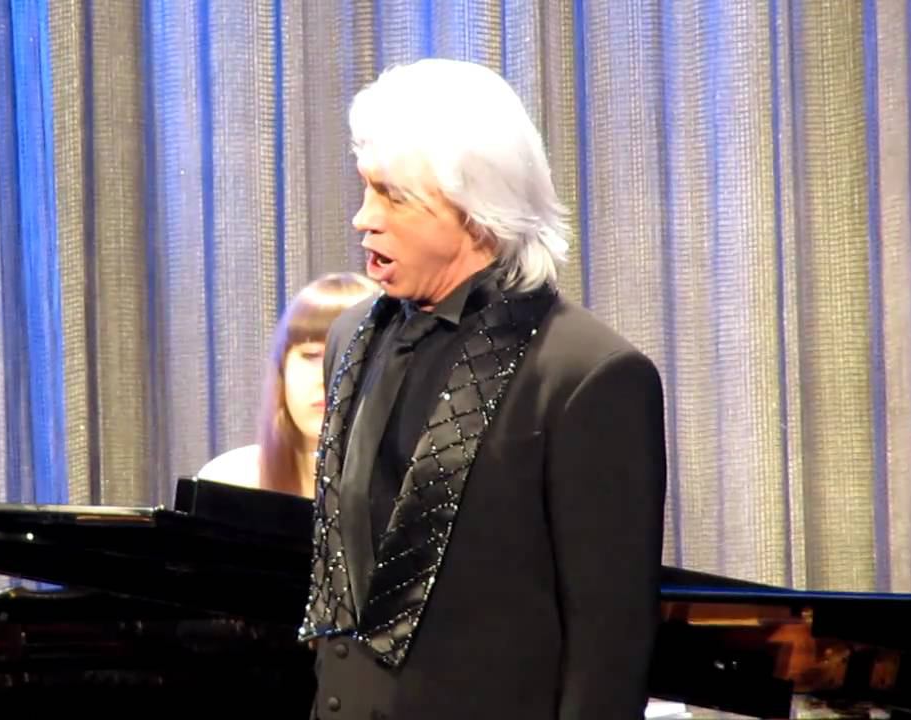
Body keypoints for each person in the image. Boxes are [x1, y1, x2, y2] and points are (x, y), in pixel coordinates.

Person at [298, 58, 667, 720]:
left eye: (393, 196)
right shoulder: (353, 338)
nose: (363, 218)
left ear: (478, 210)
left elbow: (608, 652)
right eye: (365, 189)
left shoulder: (588, 376)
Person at [197, 272, 378, 497]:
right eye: (311, 356)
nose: (325, 378)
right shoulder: (230, 480)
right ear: (282, 368)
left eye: (347, 359)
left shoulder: (409, 494)